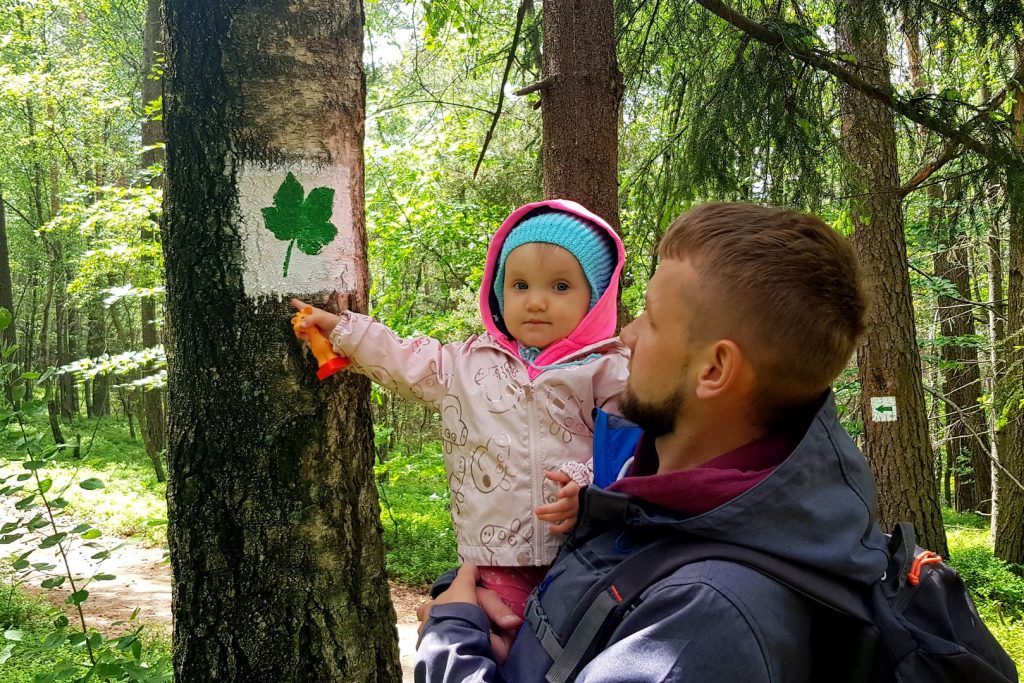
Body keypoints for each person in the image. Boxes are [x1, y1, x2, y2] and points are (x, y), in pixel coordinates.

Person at [415, 202, 890, 681]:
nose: (628, 334)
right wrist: (471, 605)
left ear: (714, 369)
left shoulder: (704, 619)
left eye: (653, 319)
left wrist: (451, 637)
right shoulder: (647, 499)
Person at [292, 199, 628, 620]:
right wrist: (339, 328)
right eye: (520, 285)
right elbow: (406, 360)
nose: (536, 302)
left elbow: (631, 451)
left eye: (560, 287)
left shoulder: (608, 371)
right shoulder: (468, 362)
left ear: (595, 298)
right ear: (498, 289)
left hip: (583, 551)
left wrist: (589, 492)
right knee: (498, 637)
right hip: (495, 557)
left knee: (566, 648)